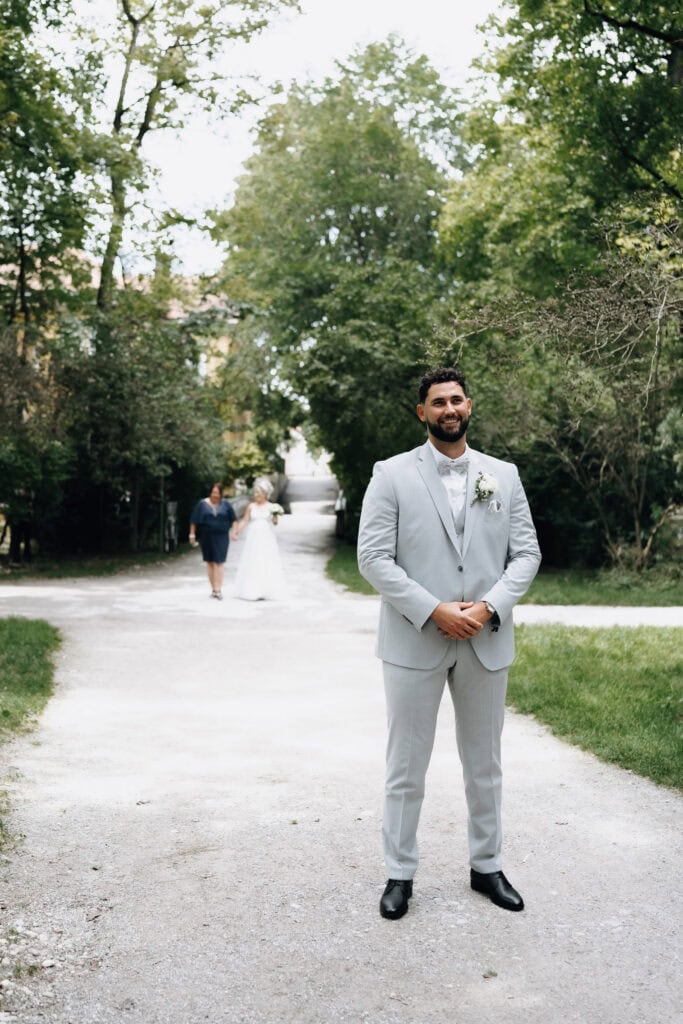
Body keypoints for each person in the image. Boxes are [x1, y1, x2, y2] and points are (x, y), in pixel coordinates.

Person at [357, 367, 541, 921]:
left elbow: (526, 554)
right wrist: (432, 609)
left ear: (469, 406)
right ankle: (399, 873)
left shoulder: (502, 476)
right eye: (438, 402)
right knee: (407, 765)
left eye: (456, 400)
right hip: (416, 640)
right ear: (423, 413)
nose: (449, 409)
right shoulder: (390, 475)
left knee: (485, 764)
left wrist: (487, 608)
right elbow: (372, 558)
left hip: (485, 638)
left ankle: (488, 866)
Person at [231, 477, 286, 601]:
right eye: (255, 493)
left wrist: (276, 517)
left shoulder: (272, 507)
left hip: (266, 537)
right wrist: (236, 531)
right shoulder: (251, 506)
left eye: (259, 493)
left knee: (266, 560)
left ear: (265, 494)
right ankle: (252, 589)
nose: (256, 495)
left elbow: (274, 523)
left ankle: (266, 589)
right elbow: (244, 521)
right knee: (253, 559)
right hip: (253, 537)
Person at [189, 483, 237, 600]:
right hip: (206, 536)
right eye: (213, 492)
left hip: (221, 536)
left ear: (220, 494)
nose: (215, 495)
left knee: (219, 562)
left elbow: (234, 519)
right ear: (210, 492)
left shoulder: (226, 504)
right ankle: (213, 589)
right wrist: (192, 534)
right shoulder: (202, 504)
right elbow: (194, 520)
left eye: (217, 493)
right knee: (210, 562)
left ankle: (218, 589)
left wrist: (234, 532)